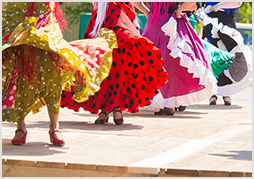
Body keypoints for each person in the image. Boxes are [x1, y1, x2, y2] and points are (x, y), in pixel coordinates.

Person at [2, 2, 117, 145]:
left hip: (45, 21)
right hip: (18, 18)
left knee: (52, 75)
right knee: (24, 74)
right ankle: (21, 128)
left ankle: (54, 128)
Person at [60, 2, 169, 124]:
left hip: (119, 16)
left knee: (118, 63)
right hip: (102, 18)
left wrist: (146, 11)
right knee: (100, 63)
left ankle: (114, 107)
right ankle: (107, 108)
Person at [133, 2, 217, 115]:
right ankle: (167, 104)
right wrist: (179, 10)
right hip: (169, 23)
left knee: (152, 63)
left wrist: (146, 11)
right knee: (169, 64)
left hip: (154, 23)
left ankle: (162, 103)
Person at [196, 2, 252, 105]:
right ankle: (213, 93)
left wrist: (219, 6)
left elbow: (237, 2)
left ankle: (226, 93)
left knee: (227, 57)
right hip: (209, 25)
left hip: (225, 25)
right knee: (212, 59)